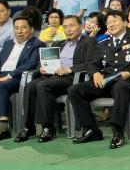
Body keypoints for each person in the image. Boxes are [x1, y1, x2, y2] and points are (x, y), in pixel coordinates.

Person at [67, 8, 130, 149]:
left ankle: (118, 131)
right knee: (74, 90)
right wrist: (95, 73)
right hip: (106, 81)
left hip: (129, 82)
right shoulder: (103, 42)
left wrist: (129, 72)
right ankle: (91, 129)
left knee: (121, 86)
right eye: (108, 23)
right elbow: (92, 63)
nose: (111, 25)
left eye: (115, 21)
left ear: (125, 22)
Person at [17, 13, 100, 142]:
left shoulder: (88, 41)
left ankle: (48, 127)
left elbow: (91, 63)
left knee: (42, 86)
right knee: (30, 86)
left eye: (71, 26)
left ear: (81, 26)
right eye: (65, 27)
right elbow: (43, 61)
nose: (68, 30)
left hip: (71, 77)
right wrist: (41, 68)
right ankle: (28, 126)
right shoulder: (59, 43)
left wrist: (69, 69)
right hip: (52, 75)